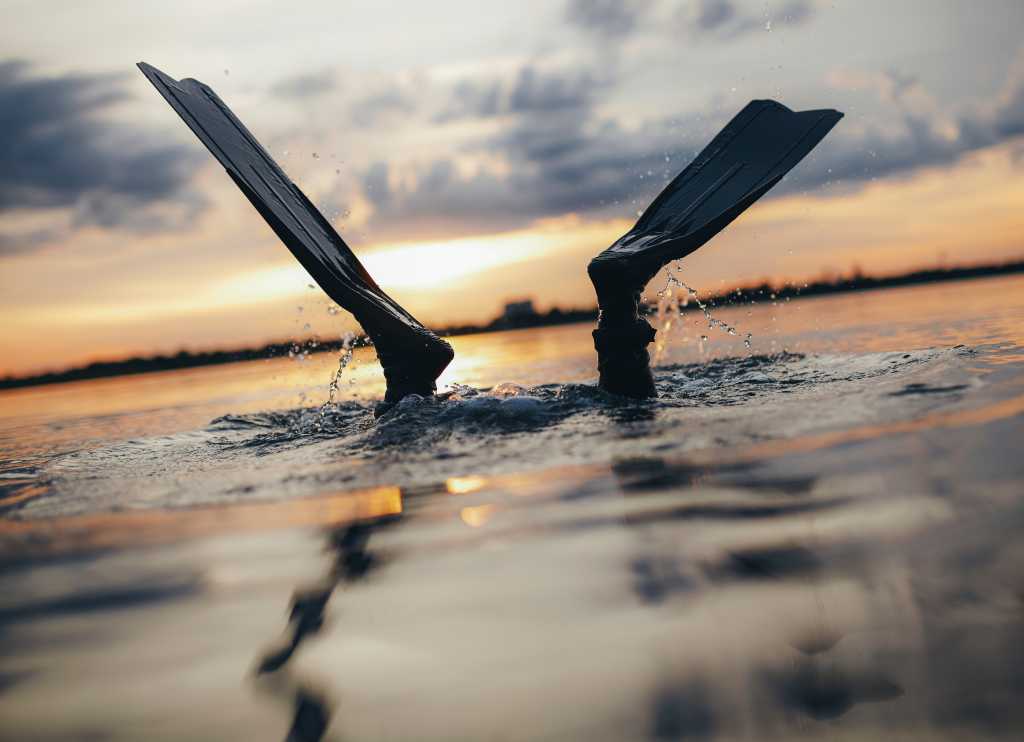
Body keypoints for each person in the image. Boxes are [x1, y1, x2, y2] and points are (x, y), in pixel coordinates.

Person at [139, 64, 840, 403]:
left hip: (478, 429)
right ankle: (617, 301)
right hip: (550, 424)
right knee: (629, 419)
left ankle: (405, 358)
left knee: (408, 430)